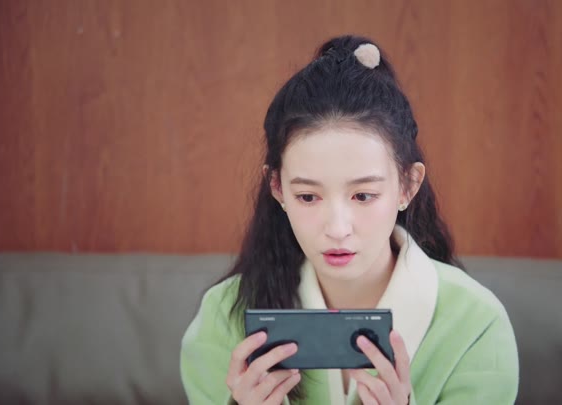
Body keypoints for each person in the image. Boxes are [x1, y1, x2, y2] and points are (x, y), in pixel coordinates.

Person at [180, 35, 519, 405]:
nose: (337, 229)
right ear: (277, 188)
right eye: (308, 196)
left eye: (363, 195)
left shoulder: (475, 323)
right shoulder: (224, 317)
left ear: (408, 185)